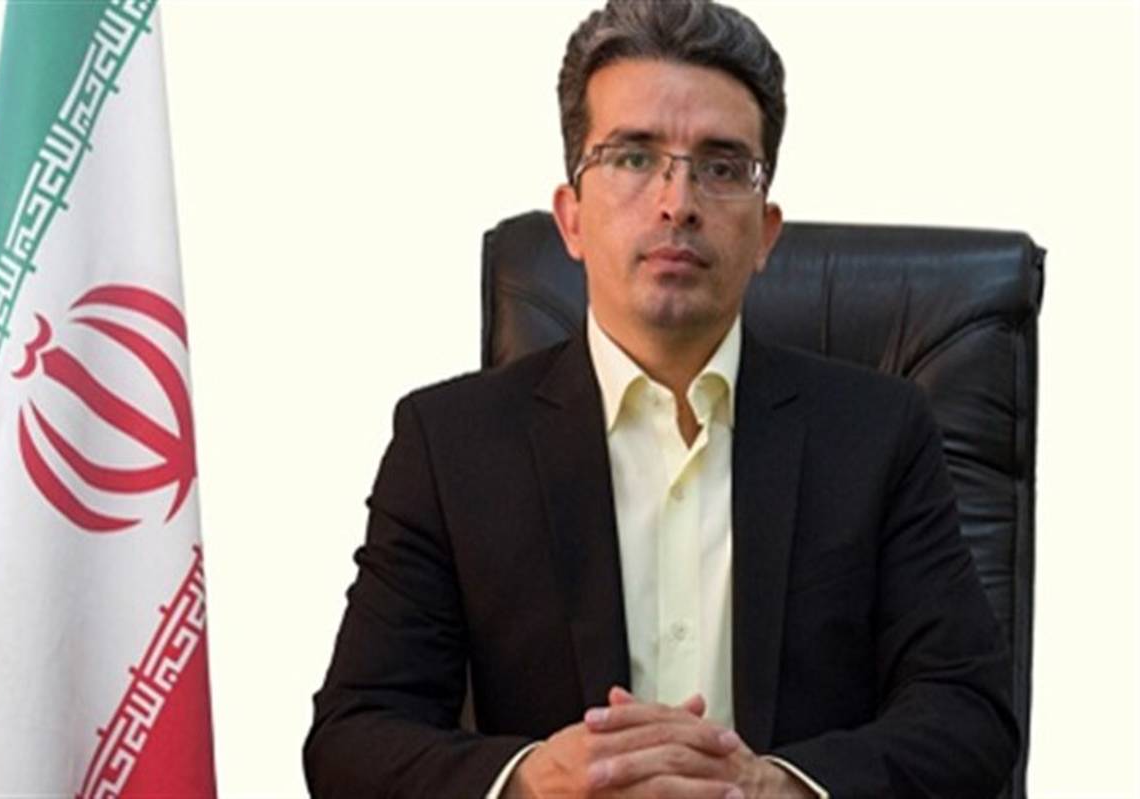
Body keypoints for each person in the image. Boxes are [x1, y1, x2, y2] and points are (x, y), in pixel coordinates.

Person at [304, 1, 1018, 796]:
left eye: (722, 166)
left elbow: (970, 714)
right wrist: (533, 780)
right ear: (571, 218)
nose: (678, 201)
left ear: (765, 233)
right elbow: (353, 737)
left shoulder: (878, 433)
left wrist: (775, 786)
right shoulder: (451, 445)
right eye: (634, 157)